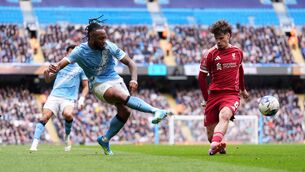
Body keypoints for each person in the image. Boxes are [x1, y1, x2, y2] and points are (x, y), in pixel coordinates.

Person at [47, 16, 172, 155]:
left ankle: (105, 139)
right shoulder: (80, 51)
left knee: (125, 112)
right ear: (91, 37)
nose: (104, 41)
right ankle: (155, 111)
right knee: (118, 95)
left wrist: (134, 80)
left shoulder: (109, 46)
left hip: (115, 79)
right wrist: (56, 67)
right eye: (100, 38)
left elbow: (131, 63)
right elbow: (62, 62)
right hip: (98, 83)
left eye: (105, 37)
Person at [198, 20, 249, 155]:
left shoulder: (238, 52)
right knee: (210, 134)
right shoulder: (209, 54)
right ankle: (218, 144)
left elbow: (240, 70)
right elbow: (201, 78)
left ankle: (215, 145)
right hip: (214, 95)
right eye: (216, 39)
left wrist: (242, 89)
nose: (218, 41)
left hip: (231, 94)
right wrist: (206, 99)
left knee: (225, 115)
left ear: (228, 35)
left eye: (221, 38)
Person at [30, 45, 89, 152]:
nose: (73, 56)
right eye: (71, 53)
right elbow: (48, 80)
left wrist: (82, 99)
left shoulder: (81, 68)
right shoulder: (59, 65)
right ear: (66, 54)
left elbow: (86, 86)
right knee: (44, 117)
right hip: (54, 96)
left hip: (69, 98)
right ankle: (34, 145)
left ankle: (67, 137)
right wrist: (46, 73)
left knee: (68, 114)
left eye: (75, 54)